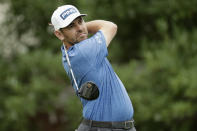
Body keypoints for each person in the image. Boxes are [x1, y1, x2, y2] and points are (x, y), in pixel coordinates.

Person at [51, 4, 136, 131]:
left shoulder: (69, 51)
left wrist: (79, 29)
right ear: (59, 34)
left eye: (80, 21)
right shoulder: (84, 52)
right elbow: (111, 27)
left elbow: (80, 31)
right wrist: (84, 29)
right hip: (104, 128)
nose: (79, 28)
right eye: (71, 26)